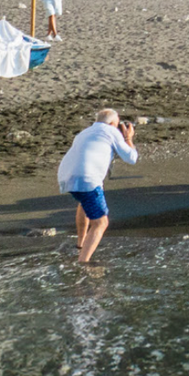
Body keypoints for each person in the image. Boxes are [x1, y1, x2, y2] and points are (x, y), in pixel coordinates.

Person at [56, 108, 138, 265]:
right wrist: (128, 138)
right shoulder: (111, 131)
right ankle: (83, 263)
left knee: (84, 202)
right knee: (101, 223)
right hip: (87, 178)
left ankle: (81, 245)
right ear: (113, 123)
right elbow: (131, 158)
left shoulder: (84, 132)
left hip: (66, 176)